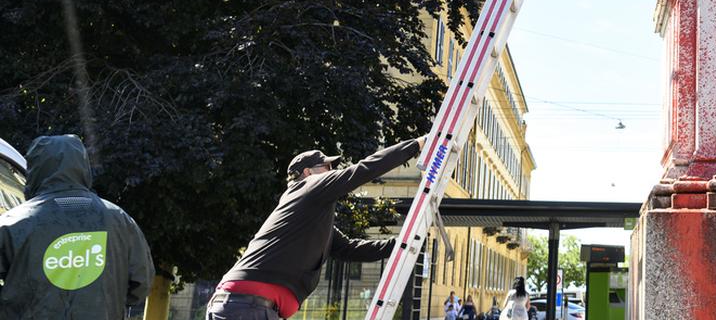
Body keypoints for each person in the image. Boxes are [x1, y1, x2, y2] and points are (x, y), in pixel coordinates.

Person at [207, 136, 424, 319]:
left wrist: (401, 244)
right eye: (327, 167)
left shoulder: (311, 217)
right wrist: (417, 145)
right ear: (308, 172)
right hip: (246, 308)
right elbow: (363, 170)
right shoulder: (308, 187)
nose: (332, 171)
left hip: (248, 307)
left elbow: (349, 249)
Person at [0, 134, 153, 320]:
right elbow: (141, 284)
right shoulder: (120, 221)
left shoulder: (13, 222)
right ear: (83, 166)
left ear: (35, 168)